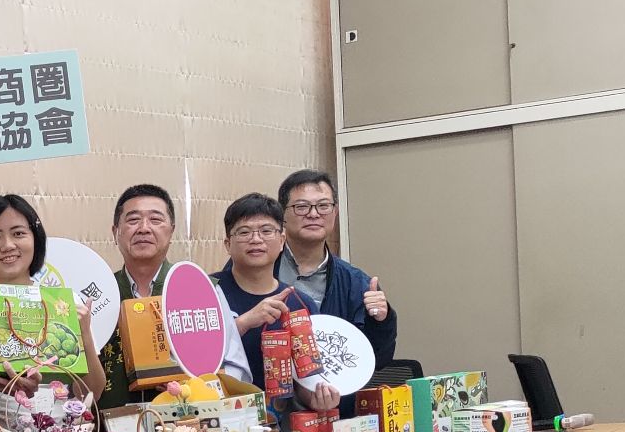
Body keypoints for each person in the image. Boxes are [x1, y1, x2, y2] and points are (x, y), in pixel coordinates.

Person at [93, 183, 251, 410]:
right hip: (112, 426)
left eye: (155, 219)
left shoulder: (198, 288)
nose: (144, 228)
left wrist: (193, 386)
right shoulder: (100, 293)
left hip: (189, 424)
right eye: (133, 220)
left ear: (171, 230)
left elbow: (237, 368)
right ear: (115, 231)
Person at [0, 192, 103, 399]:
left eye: (18, 233)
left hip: (58, 420)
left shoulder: (64, 303)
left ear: (36, 238)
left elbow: (91, 394)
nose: (8, 245)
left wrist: (85, 335)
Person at [214, 193, 342, 413]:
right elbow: (192, 359)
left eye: (266, 231)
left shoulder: (300, 303)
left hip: (281, 424)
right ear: (228, 244)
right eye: (244, 232)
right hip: (220, 417)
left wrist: (315, 398)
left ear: (282, 241)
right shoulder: (207, 292)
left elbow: (304, 376)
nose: (256, 239)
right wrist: (244, 323)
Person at [277, 169, 397, 370]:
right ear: (282, 215)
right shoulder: (257, 269)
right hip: (270, 384)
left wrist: (381, 321)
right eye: (302, 207)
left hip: (333, 388)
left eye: (323, 206)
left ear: (335, 212)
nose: (313, 214)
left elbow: (377, 360)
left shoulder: (357, 283)